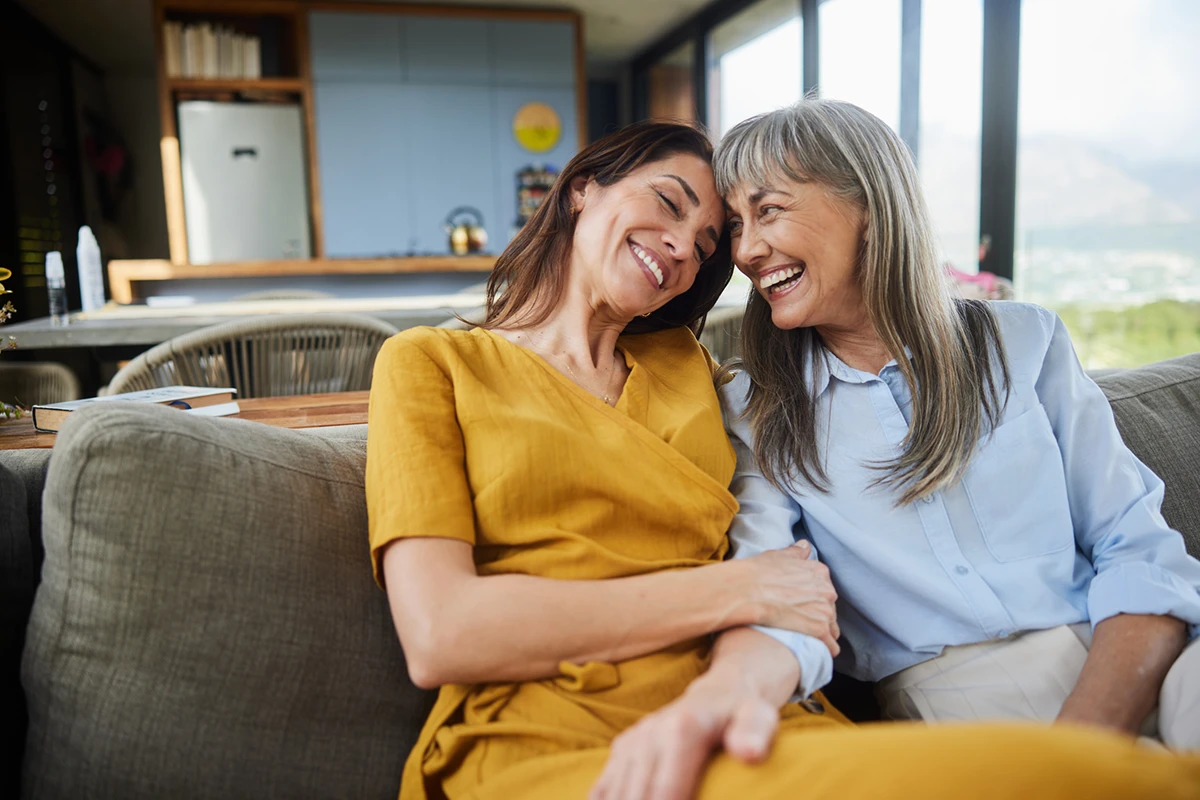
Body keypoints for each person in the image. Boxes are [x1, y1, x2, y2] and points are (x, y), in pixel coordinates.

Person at [366, 120, 1200, 800]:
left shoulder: (692, 377)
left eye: (712, 238)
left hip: (785, 709)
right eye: (684, 209)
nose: (701, 250)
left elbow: (1141, 550)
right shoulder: (435, 364)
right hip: (556, 725)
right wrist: (735, 595)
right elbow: (441, 634)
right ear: (582, 187)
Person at [716, 99, 1200, 751]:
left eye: (768, 209)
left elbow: (1138, 548)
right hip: (969, 700)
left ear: (868, 205)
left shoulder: (1025, 341)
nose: (746, 249)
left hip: (1142, 648)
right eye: (734, 225)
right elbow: (774, 601)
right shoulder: (757, 407)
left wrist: (1091, 731)